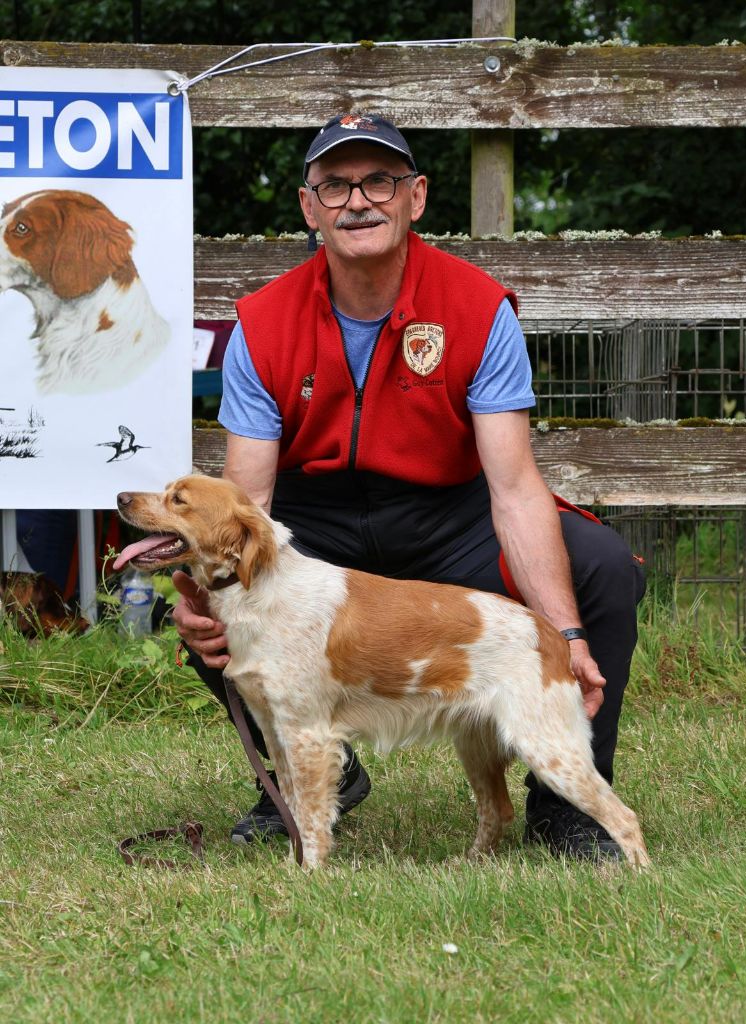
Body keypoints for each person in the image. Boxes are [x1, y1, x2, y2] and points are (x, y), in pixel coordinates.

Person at [173, 113, 645, 860]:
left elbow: (516, 490)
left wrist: (568, 631)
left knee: (603, 569)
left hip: (447, 516)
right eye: (335, 185)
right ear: (309, 207)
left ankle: (568, 809)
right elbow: (246, 505)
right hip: (316, 524)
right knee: (221, 603)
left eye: (380, 181)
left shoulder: (477, 308)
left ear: (416, 197)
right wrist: (204, 599)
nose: (358, 201)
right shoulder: (262, 324)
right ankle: (309, 772)